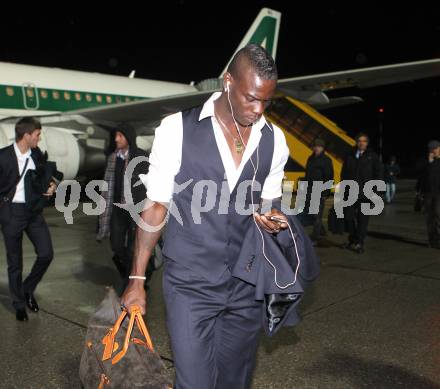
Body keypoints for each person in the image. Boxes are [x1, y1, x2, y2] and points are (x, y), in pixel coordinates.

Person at [121, 44, 290, 389]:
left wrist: (273, 219)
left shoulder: (275, 141)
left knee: (235, 381)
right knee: (195, 382)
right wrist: (137, 279)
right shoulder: (177, 129)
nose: (258, 110)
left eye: (266, 101)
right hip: (190, 284)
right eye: (250, 98)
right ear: (228, 82)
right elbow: (156, 207)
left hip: (246, 286)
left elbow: (268, 204)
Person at [0, 117, 58, 321]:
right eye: (37, 135)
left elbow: (46, 177)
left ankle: (27, 289)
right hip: (12, 213)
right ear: (26, 135)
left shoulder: (36, 154)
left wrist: (51, 185)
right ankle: (18, 304)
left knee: (46, 254)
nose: (38, 138)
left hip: (33, 212)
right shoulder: (4, 156)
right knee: (15, 263)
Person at [96, 124, 151, 290]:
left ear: (128, 138)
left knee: (133, 248)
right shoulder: (113, 158)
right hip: (118, 209)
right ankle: (134, 276)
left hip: (135, 209)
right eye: (115, 136)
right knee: (117, 245)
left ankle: (132, 283)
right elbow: (108, 185)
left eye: (120, 136)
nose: (116, 139)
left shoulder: (141, 156)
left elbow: (150, 184)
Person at [341, 132, 384, 254]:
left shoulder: (373, 157)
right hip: (350, 192)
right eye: (360, 140)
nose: (361, 143)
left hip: (366, 193)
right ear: (356, 142)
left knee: (362, 220)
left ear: (367, 143)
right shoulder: (350, 156)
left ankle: (359, 242)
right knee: (348, 218)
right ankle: (353, 239)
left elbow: (379, 173)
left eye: (364, 141)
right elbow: (344, 174)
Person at [303, 138, 334, 244]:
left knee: (317, 215)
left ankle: (315, 238)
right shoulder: (310, 158)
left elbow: (329, 177)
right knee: (312, 214)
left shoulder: (326, 160)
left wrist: (325, 193)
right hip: (310, 189)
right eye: (315, 146)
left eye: (319, 146)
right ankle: (322, 232)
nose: (317, 148)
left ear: (323, 148)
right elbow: (307, 175)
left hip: (319, 190)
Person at [419, 140, 440, 248]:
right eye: (431, 149)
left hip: (438, 193)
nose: (433, 151)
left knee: (437, 215)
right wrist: (429, 162)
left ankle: (438, 239)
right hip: (427, 192)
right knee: (429, 218)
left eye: (435, 148)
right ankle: (432, 240)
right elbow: (422, 176)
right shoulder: (426, 161)